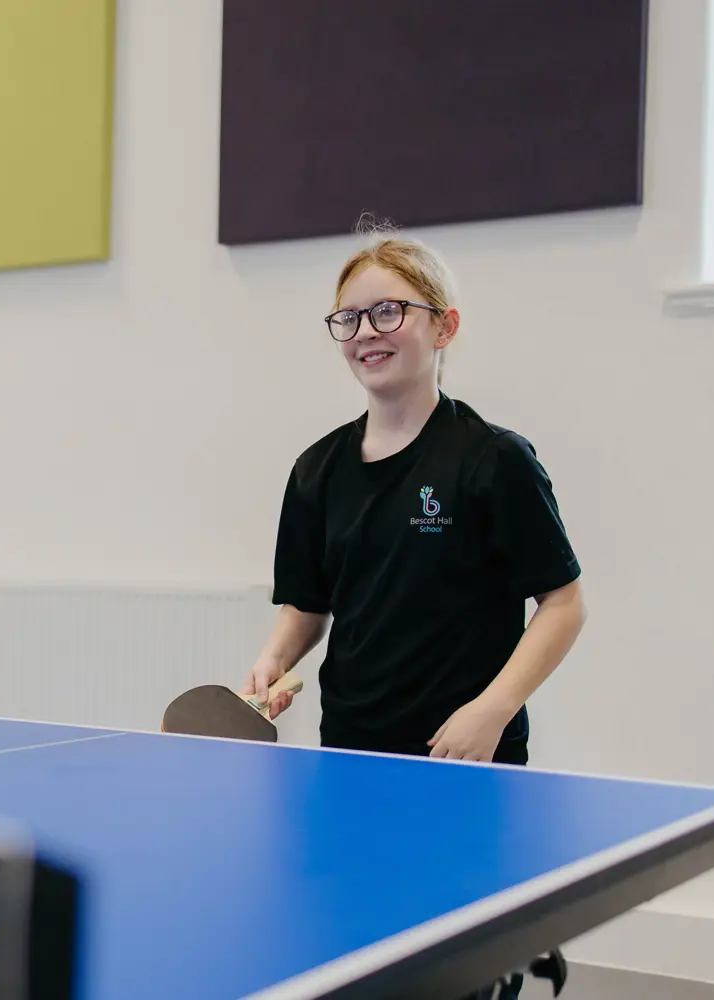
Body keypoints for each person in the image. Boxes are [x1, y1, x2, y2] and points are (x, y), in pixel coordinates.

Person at [241, 222, 586, 998]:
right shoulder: (316, 470)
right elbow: (306, 605)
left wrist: (492, 711)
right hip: (351, 755)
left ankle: (506, 957)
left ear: (443, 325)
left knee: (450, 973)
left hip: (460, 759)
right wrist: (272, 658)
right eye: (350, 319)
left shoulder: (492, 459)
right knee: (360, 961)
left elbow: (563, 604)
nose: (367, 333)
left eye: (388, 312)